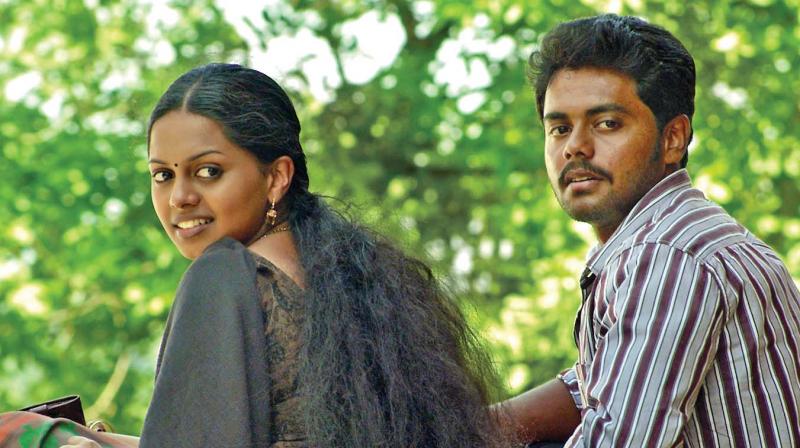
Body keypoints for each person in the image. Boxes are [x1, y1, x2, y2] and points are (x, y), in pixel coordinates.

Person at [0, 63, 505, 448]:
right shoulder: (354, 276)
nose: (180, 197)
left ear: (276, 176)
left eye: (208, 171)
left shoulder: (225, 276)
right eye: (163, 175)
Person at [497, 14, 800, 447]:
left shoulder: (668, 256)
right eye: (559, 128)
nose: (575, 147)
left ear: (673, 138)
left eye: (607, 124)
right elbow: (601, 383)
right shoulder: (684, 235)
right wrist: (472, 426)